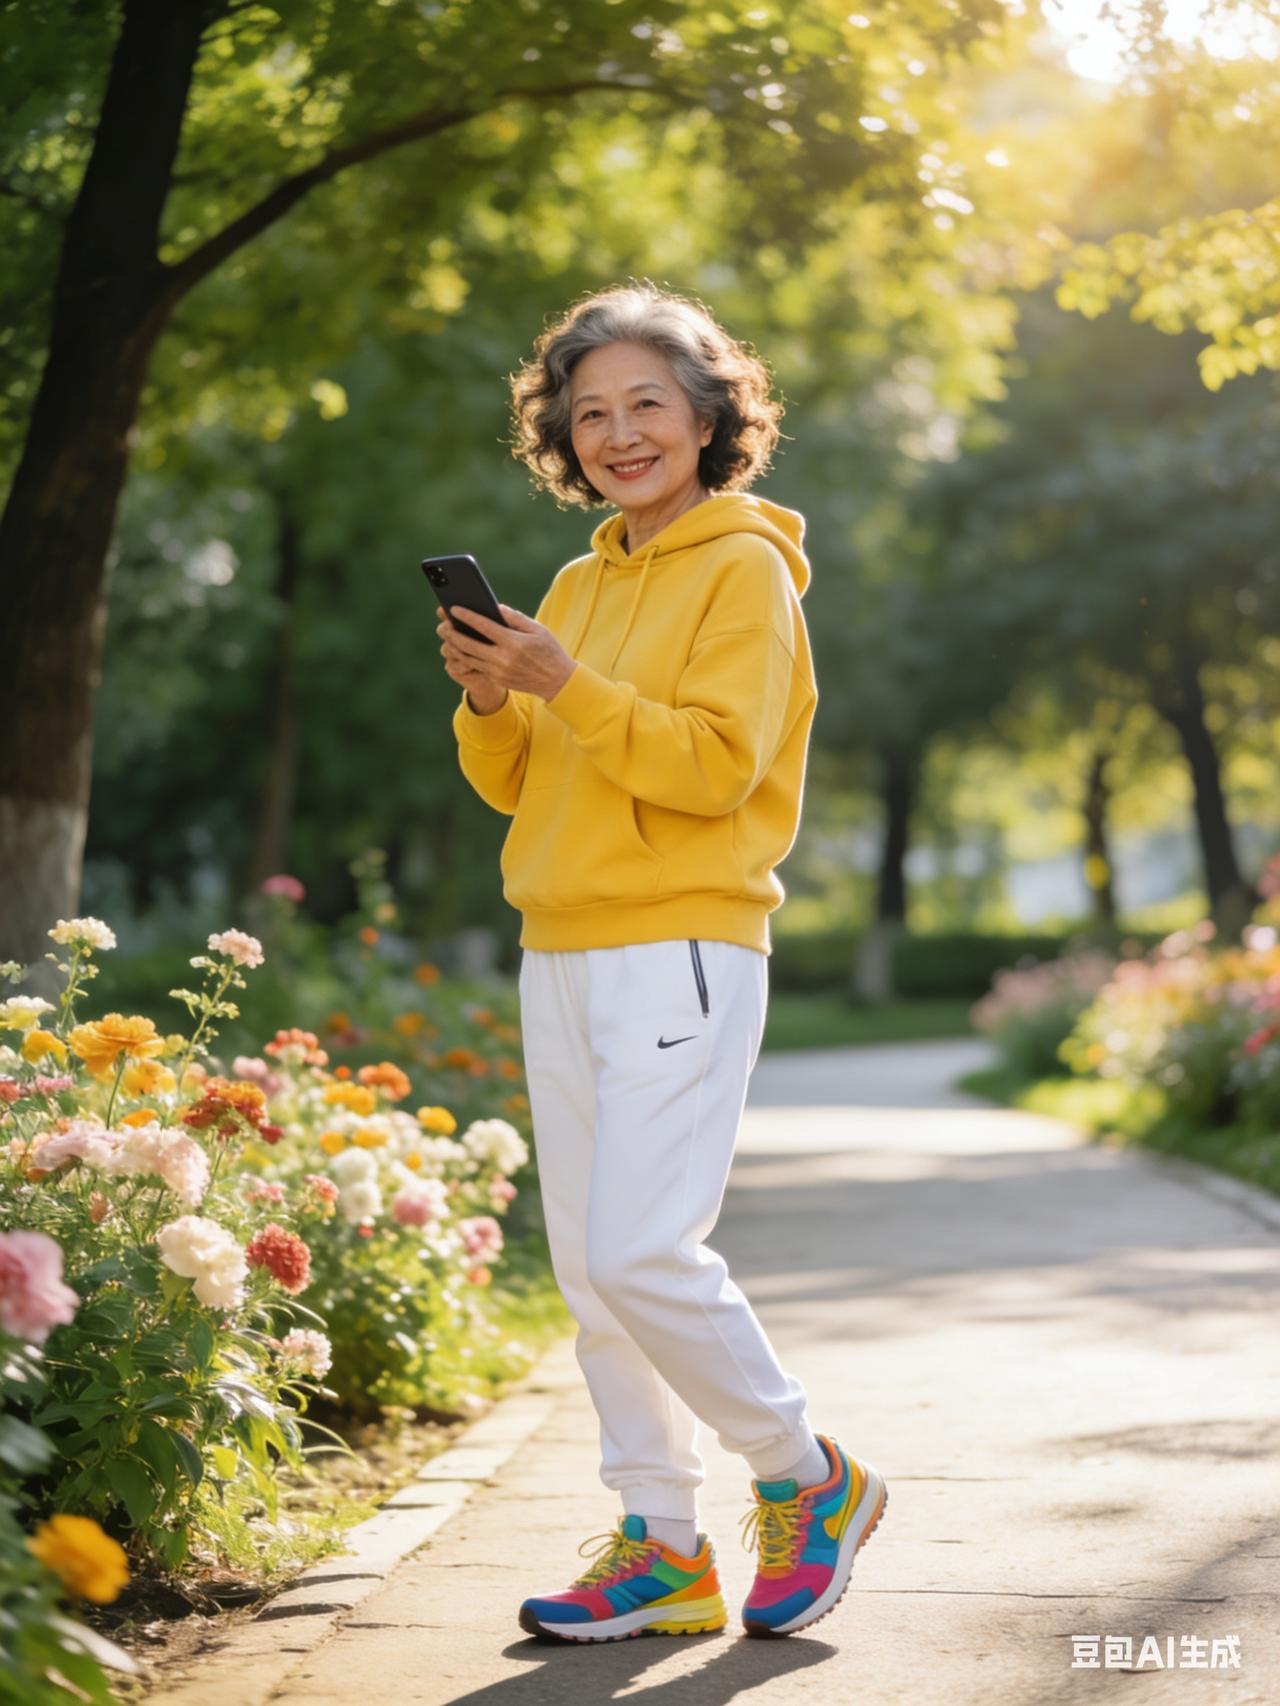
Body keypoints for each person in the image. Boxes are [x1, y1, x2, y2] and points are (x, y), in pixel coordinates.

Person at [441, 281, 887, 1642]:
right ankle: (663, 1544)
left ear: (708, 419)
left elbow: (711, 768)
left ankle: (806, 1474)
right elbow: (518, 784)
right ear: (561, 440)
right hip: (561, 945)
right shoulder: (577, 586)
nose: (620, 433)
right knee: (593, 1276)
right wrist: (492, 696)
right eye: (590, 414)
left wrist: (565, 682)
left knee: (644, 1250)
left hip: (682, 944)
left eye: (648, 403)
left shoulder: (746, 570)